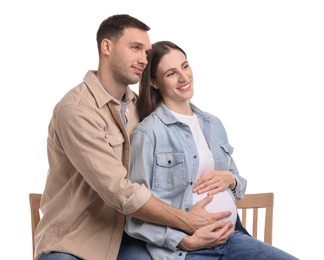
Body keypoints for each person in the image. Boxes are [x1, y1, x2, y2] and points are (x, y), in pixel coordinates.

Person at [34, 15, 236, 260]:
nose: (143, 59)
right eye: (135, 48)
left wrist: (229, 179)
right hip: (75, 242)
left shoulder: (139, 109)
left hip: (130, 238)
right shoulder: (76, 111)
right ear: (106, 47)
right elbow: (121, 191)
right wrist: (187, 222)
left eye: (147, 52)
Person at [124, 40, 299, 259]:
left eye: (185, 66)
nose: (184, 77)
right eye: (171, 73)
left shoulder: (212, 124)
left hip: (231, 238)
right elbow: (136, 211)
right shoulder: (148, 133)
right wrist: (184, 240)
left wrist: (230, 179)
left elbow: (236, 181)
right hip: (185, 250)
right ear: (154, 82)